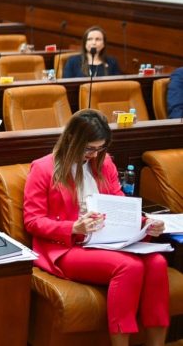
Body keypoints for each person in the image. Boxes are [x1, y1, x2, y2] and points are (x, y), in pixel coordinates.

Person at [24, 109, 168, 346]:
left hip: (108, 241)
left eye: (100, 148)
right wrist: (74, 227)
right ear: (72, 139)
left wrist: (146, 223)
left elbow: (120, 203)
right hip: (68, 247)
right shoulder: (43, 168)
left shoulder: (104, 162)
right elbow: (32, 220)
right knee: (130, 266)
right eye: (89, 148)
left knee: (157, 263)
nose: (94, 154)